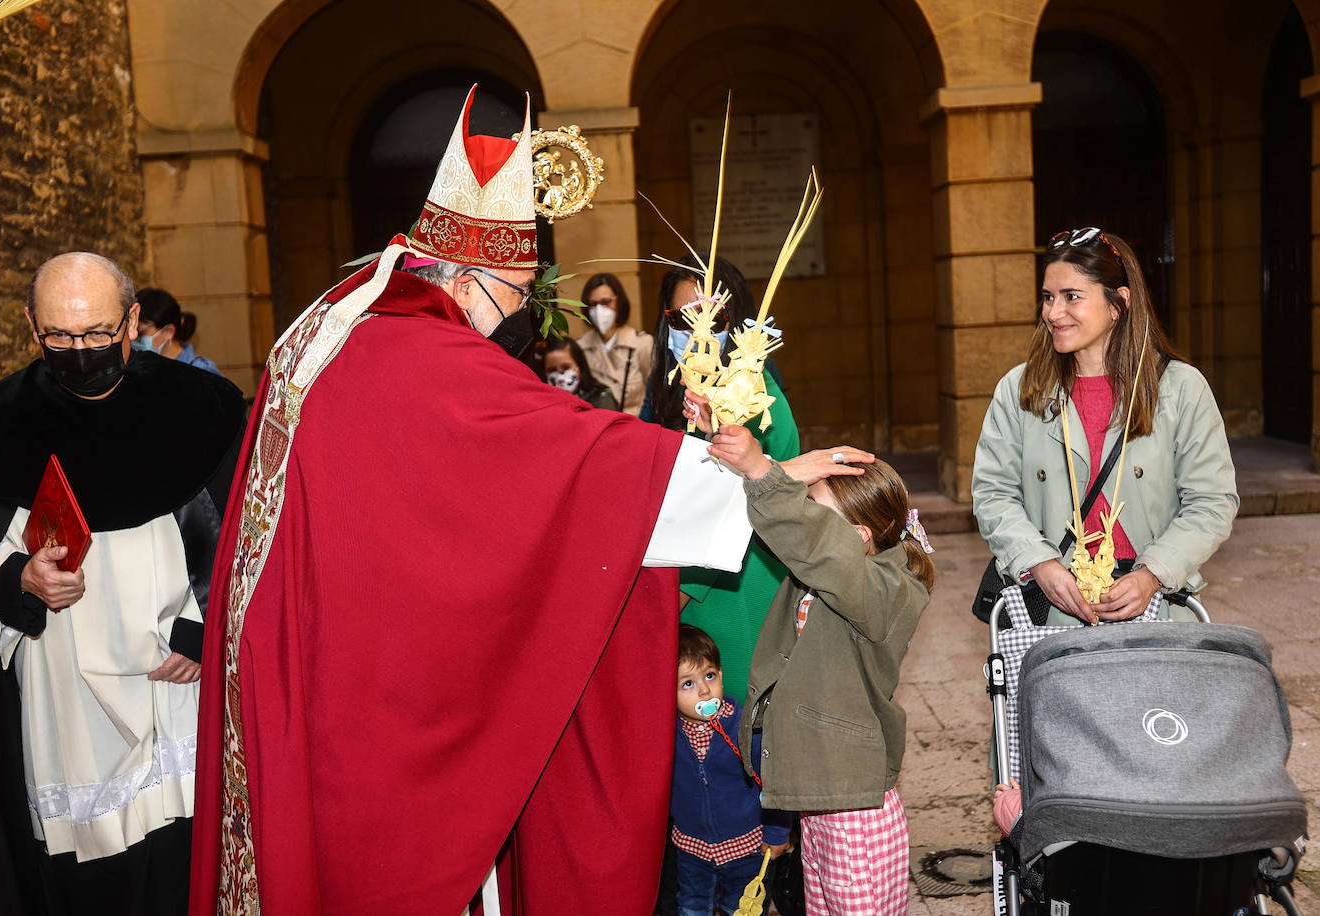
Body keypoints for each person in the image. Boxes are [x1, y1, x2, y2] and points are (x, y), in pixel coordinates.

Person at [187, 84, 875, 916]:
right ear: (470, 277)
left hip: (321, 653)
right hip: (382, 702)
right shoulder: (425, 353)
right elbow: (567, 459)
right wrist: (764, 477)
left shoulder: (342, 320)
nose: (514, 315)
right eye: (514, 294)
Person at [0, 252, 245, 914]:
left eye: (96, 335)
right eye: (60, 337)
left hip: (175, 683)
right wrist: (19, 582)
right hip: (68, 693)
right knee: (92, 882)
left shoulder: (201, 408)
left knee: (184, 863)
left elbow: (244, 531)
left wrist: (205, 625)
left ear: (133, 320)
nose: (81, 352)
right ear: (32, 327)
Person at [707, 422, 935, 916]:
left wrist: (762, 470)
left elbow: (809, 541)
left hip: (855, 809)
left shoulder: (883, 590)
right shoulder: (824, 572)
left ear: (857, 536)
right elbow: (786, 534)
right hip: (821, 794)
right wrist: (725, 441)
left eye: (815, 512)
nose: (802, 519)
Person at [971, 227, 1239, 626]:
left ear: (1118, 304)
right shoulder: (1019, 390)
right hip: (1053, 611)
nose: (1053, 312)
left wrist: (1153, 575)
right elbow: (993, 493)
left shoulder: (1180, 388)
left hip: (1154, 607)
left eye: (1071, 297)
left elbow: (1213, 501)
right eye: (1048, 297)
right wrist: (1039, 563)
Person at [647, 259, 801, 702]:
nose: (697, 332)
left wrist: (664, 606)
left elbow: (733, 505)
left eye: (711, 317)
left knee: (740, 732)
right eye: (682, 318)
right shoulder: (673, 394)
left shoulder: (754, 395)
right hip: (691, 592)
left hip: (736, 591)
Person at [671, 623, 790, 916]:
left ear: (721, 675)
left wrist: (776, 832)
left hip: (746, 846)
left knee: (744, 908)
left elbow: (774, 781)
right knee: (690, 907)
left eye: (709, 676)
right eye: (687, 683)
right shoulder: (667, 735)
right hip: (692, 847)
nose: (703, 689)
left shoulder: (743, 728)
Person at [575, 271, 653, 416]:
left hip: (636, 428)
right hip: (598, 430)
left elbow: (654, 394)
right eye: (593, 304)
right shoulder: (580, 347)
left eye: (606, 302)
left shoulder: (641, 343)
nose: (599, 310)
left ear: (619, 302)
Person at [133, 287, 223, 376]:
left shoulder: (201, 371)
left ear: (168, 331)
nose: (134, 337)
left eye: (141, 333)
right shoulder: (140, 370)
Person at [539, 336, 618, 410]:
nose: (560, 376)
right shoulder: (544, 405)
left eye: (566, 367)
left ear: (579, 366)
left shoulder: (602, 398)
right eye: (552, 370)